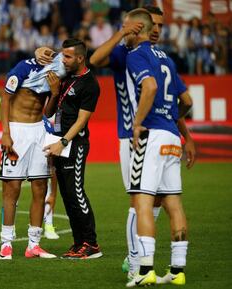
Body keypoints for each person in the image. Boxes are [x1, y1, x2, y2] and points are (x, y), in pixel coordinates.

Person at [89, 5, 195, 280]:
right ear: (137, 27)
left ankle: (140, 267)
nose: (156, 30)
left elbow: (155, 92)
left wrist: (186, 134)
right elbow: (96, 59)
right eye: (152, 25)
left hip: (144, 135)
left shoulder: (143, 56)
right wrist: (122, 32)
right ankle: (143, 262)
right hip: (136, 136)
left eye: (159, 25)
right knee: (158, 200)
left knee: (142, 199)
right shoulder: (126, 53)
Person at [123, 9, 192, 286]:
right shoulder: (167, 59)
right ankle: (177, 271)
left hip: (151, 136)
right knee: (174, 204)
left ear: (137, 28)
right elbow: (185, 100)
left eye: (126, 28)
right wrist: (172, 118)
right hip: (173, 136)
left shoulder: (136, 54)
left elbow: (149, 87)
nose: (124, 32)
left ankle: (144, 270)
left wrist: (138, 123)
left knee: (142, 202)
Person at [0, 52, 65, 260]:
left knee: (40, 187)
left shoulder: (56, 74)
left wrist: (54, 93)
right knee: (12, 188)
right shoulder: (23, 68)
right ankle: (6, 243)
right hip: (17, 131)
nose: (49, 55)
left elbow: (48, 112)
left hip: (39, 131)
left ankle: (34, 245)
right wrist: (6, 133)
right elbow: (5, 99)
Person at [44, 38, 102, 259]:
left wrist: (64, 142)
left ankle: (92, 244)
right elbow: (49, 113)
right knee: (67, 196)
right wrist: (55, 91)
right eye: (62, 55)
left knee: (76, 193)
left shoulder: (90, 84)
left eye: (67, 56)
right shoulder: (65, 79)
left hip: (74, 144)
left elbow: (81, 121)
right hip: (60, 142)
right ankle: (79, 243)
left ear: (80, 57)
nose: (63, 60)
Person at [42, 115, 60, 240]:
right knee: (12, 190)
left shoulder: (46, 125)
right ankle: (9, 231)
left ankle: (49, 226)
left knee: (46, 190)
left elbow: (51, 159)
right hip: (20, 157)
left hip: (42, 161)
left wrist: (54, 192)